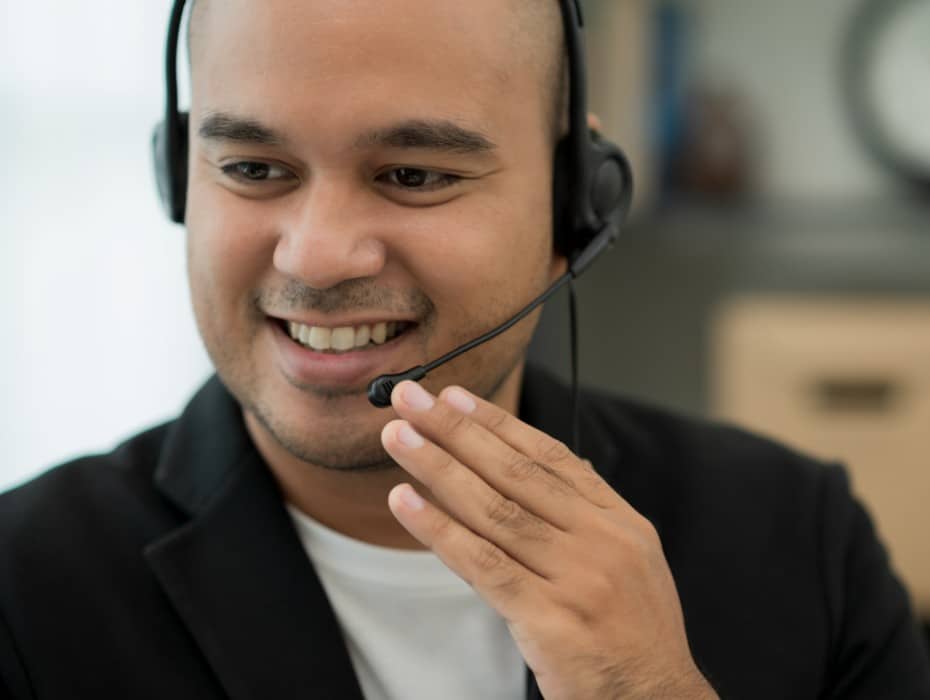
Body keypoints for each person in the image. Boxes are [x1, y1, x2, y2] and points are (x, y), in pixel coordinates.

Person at [1, 1, 928, 698]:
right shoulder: (23, 589)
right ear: (179, 177)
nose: (316, 256)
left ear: (579, 204)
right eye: (252, 169)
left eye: (413, 175)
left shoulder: (803, 545)